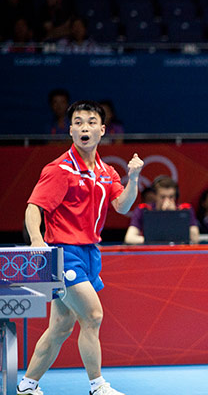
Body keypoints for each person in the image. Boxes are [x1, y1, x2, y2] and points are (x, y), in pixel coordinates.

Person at [21, 100, 143, 395]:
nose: (84, 127)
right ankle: (97, 386)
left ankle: (27, 385)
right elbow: (34, 207)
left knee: (61, 327)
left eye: (90, 122)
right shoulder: (60, 169)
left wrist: (134, 178)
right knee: (93, 316)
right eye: (77, 122)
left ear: (102, 130)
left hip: (90, 253)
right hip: (64, 252)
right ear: (71, 130)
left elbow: (123, 206)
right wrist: (38, 241)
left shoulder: (106, 171)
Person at [124, 176, 200, 244]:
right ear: (155, 196)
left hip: (178, 253)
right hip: (151, 253)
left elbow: (195, 239)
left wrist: (174, 214)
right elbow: (129, 238)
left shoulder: (185, 209)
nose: (167, 201)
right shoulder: (143, 209)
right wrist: (155, 241)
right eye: (163, 197)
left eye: (171, 197)